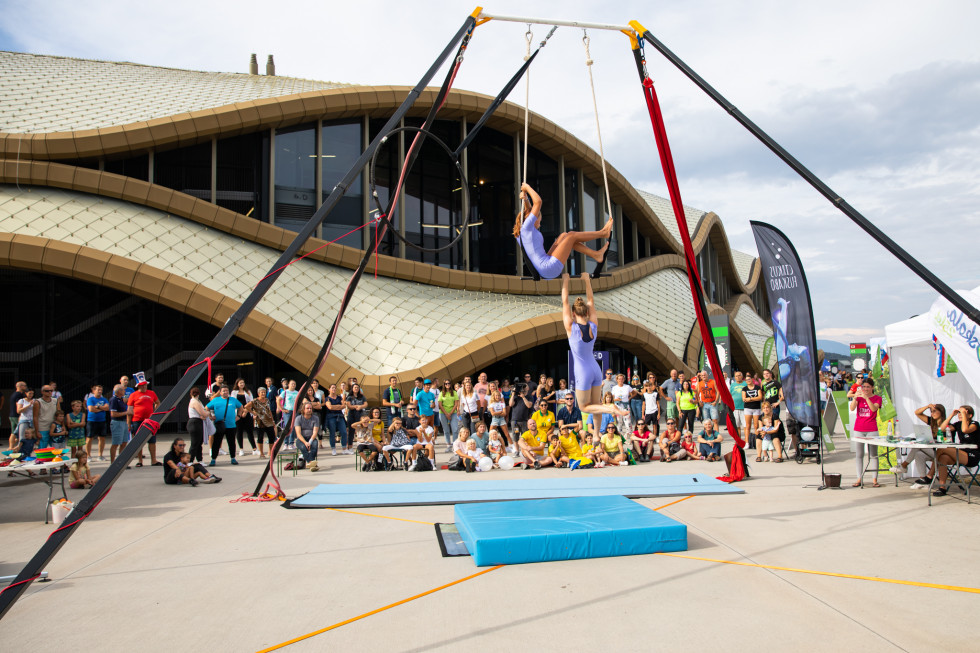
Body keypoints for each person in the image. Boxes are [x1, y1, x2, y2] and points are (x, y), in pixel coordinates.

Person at [561, 272, 629, 423]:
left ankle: (611, 408)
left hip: (583, 372)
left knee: (585, 407)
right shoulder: (594, 325)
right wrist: (586, 279)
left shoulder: (571, 327)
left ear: (573, 313)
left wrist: (565, 280)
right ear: (586, 312)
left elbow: (565, 301)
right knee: (596, 405)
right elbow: (590, 300)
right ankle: (597, 435)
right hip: (595, 369)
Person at [513, 182, 611, 279]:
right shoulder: (527, 227)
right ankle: (603, 233)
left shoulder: (523, 231)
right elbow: (538, 202)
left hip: (544, 267)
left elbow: (529, 212)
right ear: (532, 219)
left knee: (564, 236)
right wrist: (527, 187)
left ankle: (596, 255)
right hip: (547, 268)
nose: (540, 223)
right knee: (572, 235)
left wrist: (526, 200)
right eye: (540, 220)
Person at [930, 406, 979, 497]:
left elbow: (965, 430)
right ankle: (942, 487)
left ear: (970, 415)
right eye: (959, 413)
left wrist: (963, 415)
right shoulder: (958, 424)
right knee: (942, 458)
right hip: (961, 453)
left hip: (972, 456)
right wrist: (952, 415)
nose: (960, 414)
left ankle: (929, 475)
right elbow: (942, 428)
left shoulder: (974, 424)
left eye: (963, 413)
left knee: (942, 448)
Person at [894, 403, 945, 485]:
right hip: (931, 451)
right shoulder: (931, 421)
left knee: (919, 445)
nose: (932, 414)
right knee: (918, 453)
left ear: (941, 412)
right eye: (931, 412)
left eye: (935, 411)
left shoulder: (946, 425)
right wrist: (927, 406)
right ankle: (923, 480)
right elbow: (917, 413)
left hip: (941, 453)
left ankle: (904, 465)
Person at [849, 378, 881, 487]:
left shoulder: (877, 398)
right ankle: (859, 478)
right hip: (859, 428)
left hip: (872, 429)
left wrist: (866, 398)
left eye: (868, 387)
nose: (866, 389)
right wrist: (855, 397)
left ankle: (874, 479)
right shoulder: (859, 398)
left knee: (873, 455)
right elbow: (852, 408)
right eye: (864, 387)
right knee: (859, 454)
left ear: (872, 387)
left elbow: (873, 409)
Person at [128, 375, 161, 466]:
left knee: (152, 440)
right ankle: (140, 460)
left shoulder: (151, 393)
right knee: (139, 441)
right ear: (138, 386)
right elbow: (130, 410)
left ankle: (153, 460)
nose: (144, 386)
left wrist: (155, 412)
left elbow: (158, 402)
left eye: (145, 385)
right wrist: (128, 423)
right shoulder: (133, 395)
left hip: (150, 420)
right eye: (142, 385)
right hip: (137, 420)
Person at [206, 385, 239, 466]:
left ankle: (233, 458)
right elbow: (206, 408)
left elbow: (241, 407)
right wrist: (210, 416)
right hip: (219, 425)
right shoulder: (216, 400)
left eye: (227, 391)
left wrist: (239, 416)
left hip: (231, 426)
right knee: (216, 442)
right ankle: (213, 459)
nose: (225, 392)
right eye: (224, 391)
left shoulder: (233, 400)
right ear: (220, 392)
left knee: (231, 442)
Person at [244, 387, 277, 458]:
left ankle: (270, 452)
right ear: (258, 393)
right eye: (262, 392)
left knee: (272, 436)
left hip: (268, 420)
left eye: (264, 392)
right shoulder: (255, 401)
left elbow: (269, 410)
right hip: (259, 421)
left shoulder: (267, 400)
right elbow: (246, 406)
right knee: (260, 437)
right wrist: (253, 413)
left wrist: (272, 420)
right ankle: (261, 453)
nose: (263, 394)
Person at [230, 379, 256, 455]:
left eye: (243, 382)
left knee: (249, 431)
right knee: (239, 431)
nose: (242, 384)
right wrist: (241, 411)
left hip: (247, 412)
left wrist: (246, 411)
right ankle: (241, 449)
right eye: (240, 383)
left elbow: (251, 402)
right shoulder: (234, 392)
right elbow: (233, 402)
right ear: (237, 384)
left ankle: (254, 449)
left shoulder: (248, 392)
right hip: (238, 413)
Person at [293, 400, 320, 472]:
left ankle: (310, 463)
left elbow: (315, 432)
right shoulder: (298, 418)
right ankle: (311, 463)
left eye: (310, 408)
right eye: (307, 408)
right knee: (303, 447)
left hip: (311, 438)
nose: (309, 410)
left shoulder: (315, 418)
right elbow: (298, 433)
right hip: (301, 439)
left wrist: (310, 442)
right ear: (303, 410)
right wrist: (305, 442)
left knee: (314, 445)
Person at [85, 385, 109, 460]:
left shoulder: (104, 399)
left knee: (102, 438)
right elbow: (91, 409)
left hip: (102, 421)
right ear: (94, 391)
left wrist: (98, 407)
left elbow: (107, 408)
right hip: (92, 421)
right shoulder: (90, 399)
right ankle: (88, 455)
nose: (100, 391)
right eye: (98, 390)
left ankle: (100, 455)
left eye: (101, 390)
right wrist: (102, 409)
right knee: (89, 438)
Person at [108, 385, 130, 465]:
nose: (124, 391)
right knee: (116, 443)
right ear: (119, 391)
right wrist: (126, 413)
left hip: (124, 422)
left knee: (124, 442)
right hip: (117, 422)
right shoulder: (114, 400)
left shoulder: (121, 399)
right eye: (123, 390)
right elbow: (113, 414)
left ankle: (120, 461)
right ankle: (113, 462)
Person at [186, 387, 209, 463]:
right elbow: (203, 413)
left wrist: (204, 414)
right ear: (199, 394)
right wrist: (208, 413)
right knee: (195, 443)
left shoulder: (196, 401)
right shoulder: (195, 402)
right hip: (195, 423)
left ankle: (199, 460)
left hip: (197, 422)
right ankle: (190, 461)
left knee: (198, 443)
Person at [322, 383, 347, 455]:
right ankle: (333, 448)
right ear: (329, 389)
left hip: (340, 416)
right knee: (332, 433)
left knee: (344, 432)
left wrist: (335, 407)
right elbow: (330, 407)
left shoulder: (339, 397)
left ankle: (344, 448)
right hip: (331, 417)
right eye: (332, 388)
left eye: (335, 388)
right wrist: (339, 406)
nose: (334, 389)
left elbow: (343, 405)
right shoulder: (327, 398)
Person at [437, 380, 460, 452]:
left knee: (455, 429)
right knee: (446, 430)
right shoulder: (441, 393)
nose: (447, 385)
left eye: (449, 383)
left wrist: (450, 413)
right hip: (443, 412)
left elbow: (456, 403)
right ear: (444, 384)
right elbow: (440, 404)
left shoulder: (454, 392)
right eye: (446, 383)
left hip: (453, 412)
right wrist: (446, 414)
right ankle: (448, 445)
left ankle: (454, 445)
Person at [32, 384, 58, 449]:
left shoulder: (55, 400)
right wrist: (36, 431)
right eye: (47, 391)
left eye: (51, 391)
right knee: (42, 448)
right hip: (42, 428)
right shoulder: (37, 402)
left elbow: (60, 414)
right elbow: (35, 417)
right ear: (42, 392)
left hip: (54, 427)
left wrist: (62, 426)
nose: (50, 392)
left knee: (56, 449)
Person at [742, 377, 763, 450]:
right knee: (748, 426)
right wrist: (754, 398)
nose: (748, 381)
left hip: (756, 408)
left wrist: (750, 399)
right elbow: (744, 399)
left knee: (756, 425)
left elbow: (760, 397)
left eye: (749, 379)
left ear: (752, 380)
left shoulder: (757, 387)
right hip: (748, 408)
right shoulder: (744, 388)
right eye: (746, 380)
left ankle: (757, 441)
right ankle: (747, 442)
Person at [729, 371, 748, 446]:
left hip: (744, 407)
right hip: (735, 408)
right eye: (736, 376)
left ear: (742, 376)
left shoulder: (745, 384)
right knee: (737, 426)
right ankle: (738, 441)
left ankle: (746, 441)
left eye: (739, 375)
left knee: (745, 426)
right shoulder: (733, 385)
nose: (738, 377)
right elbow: (730, 394)